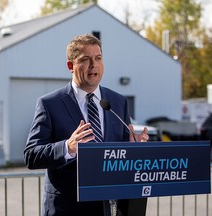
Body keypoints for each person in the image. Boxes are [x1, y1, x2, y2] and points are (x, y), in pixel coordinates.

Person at [24, 34, 149, 216]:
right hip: (66, 208)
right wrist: (68, 147)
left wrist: (133, 148)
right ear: (70, 66)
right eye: (85, 60)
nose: (93, 65)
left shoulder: (117, 101)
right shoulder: (50, 104)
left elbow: (121, 156)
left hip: (107, 207)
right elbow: (31, 155)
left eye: (98, 58)